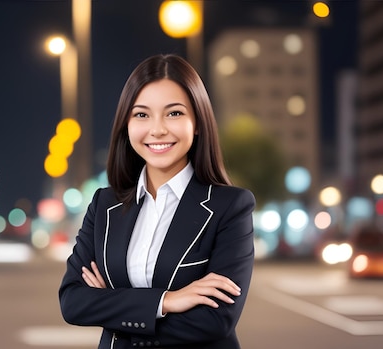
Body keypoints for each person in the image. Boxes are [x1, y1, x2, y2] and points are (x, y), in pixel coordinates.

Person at [59, 54, 255, 349]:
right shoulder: (104, 205)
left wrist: (111, 309)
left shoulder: (230, 207)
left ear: (198, 123)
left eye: (174, 113)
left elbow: (216, 321)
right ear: (126, 124)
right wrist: (168, 301)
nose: (158, 129)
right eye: (142, 115)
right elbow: (73, 302)